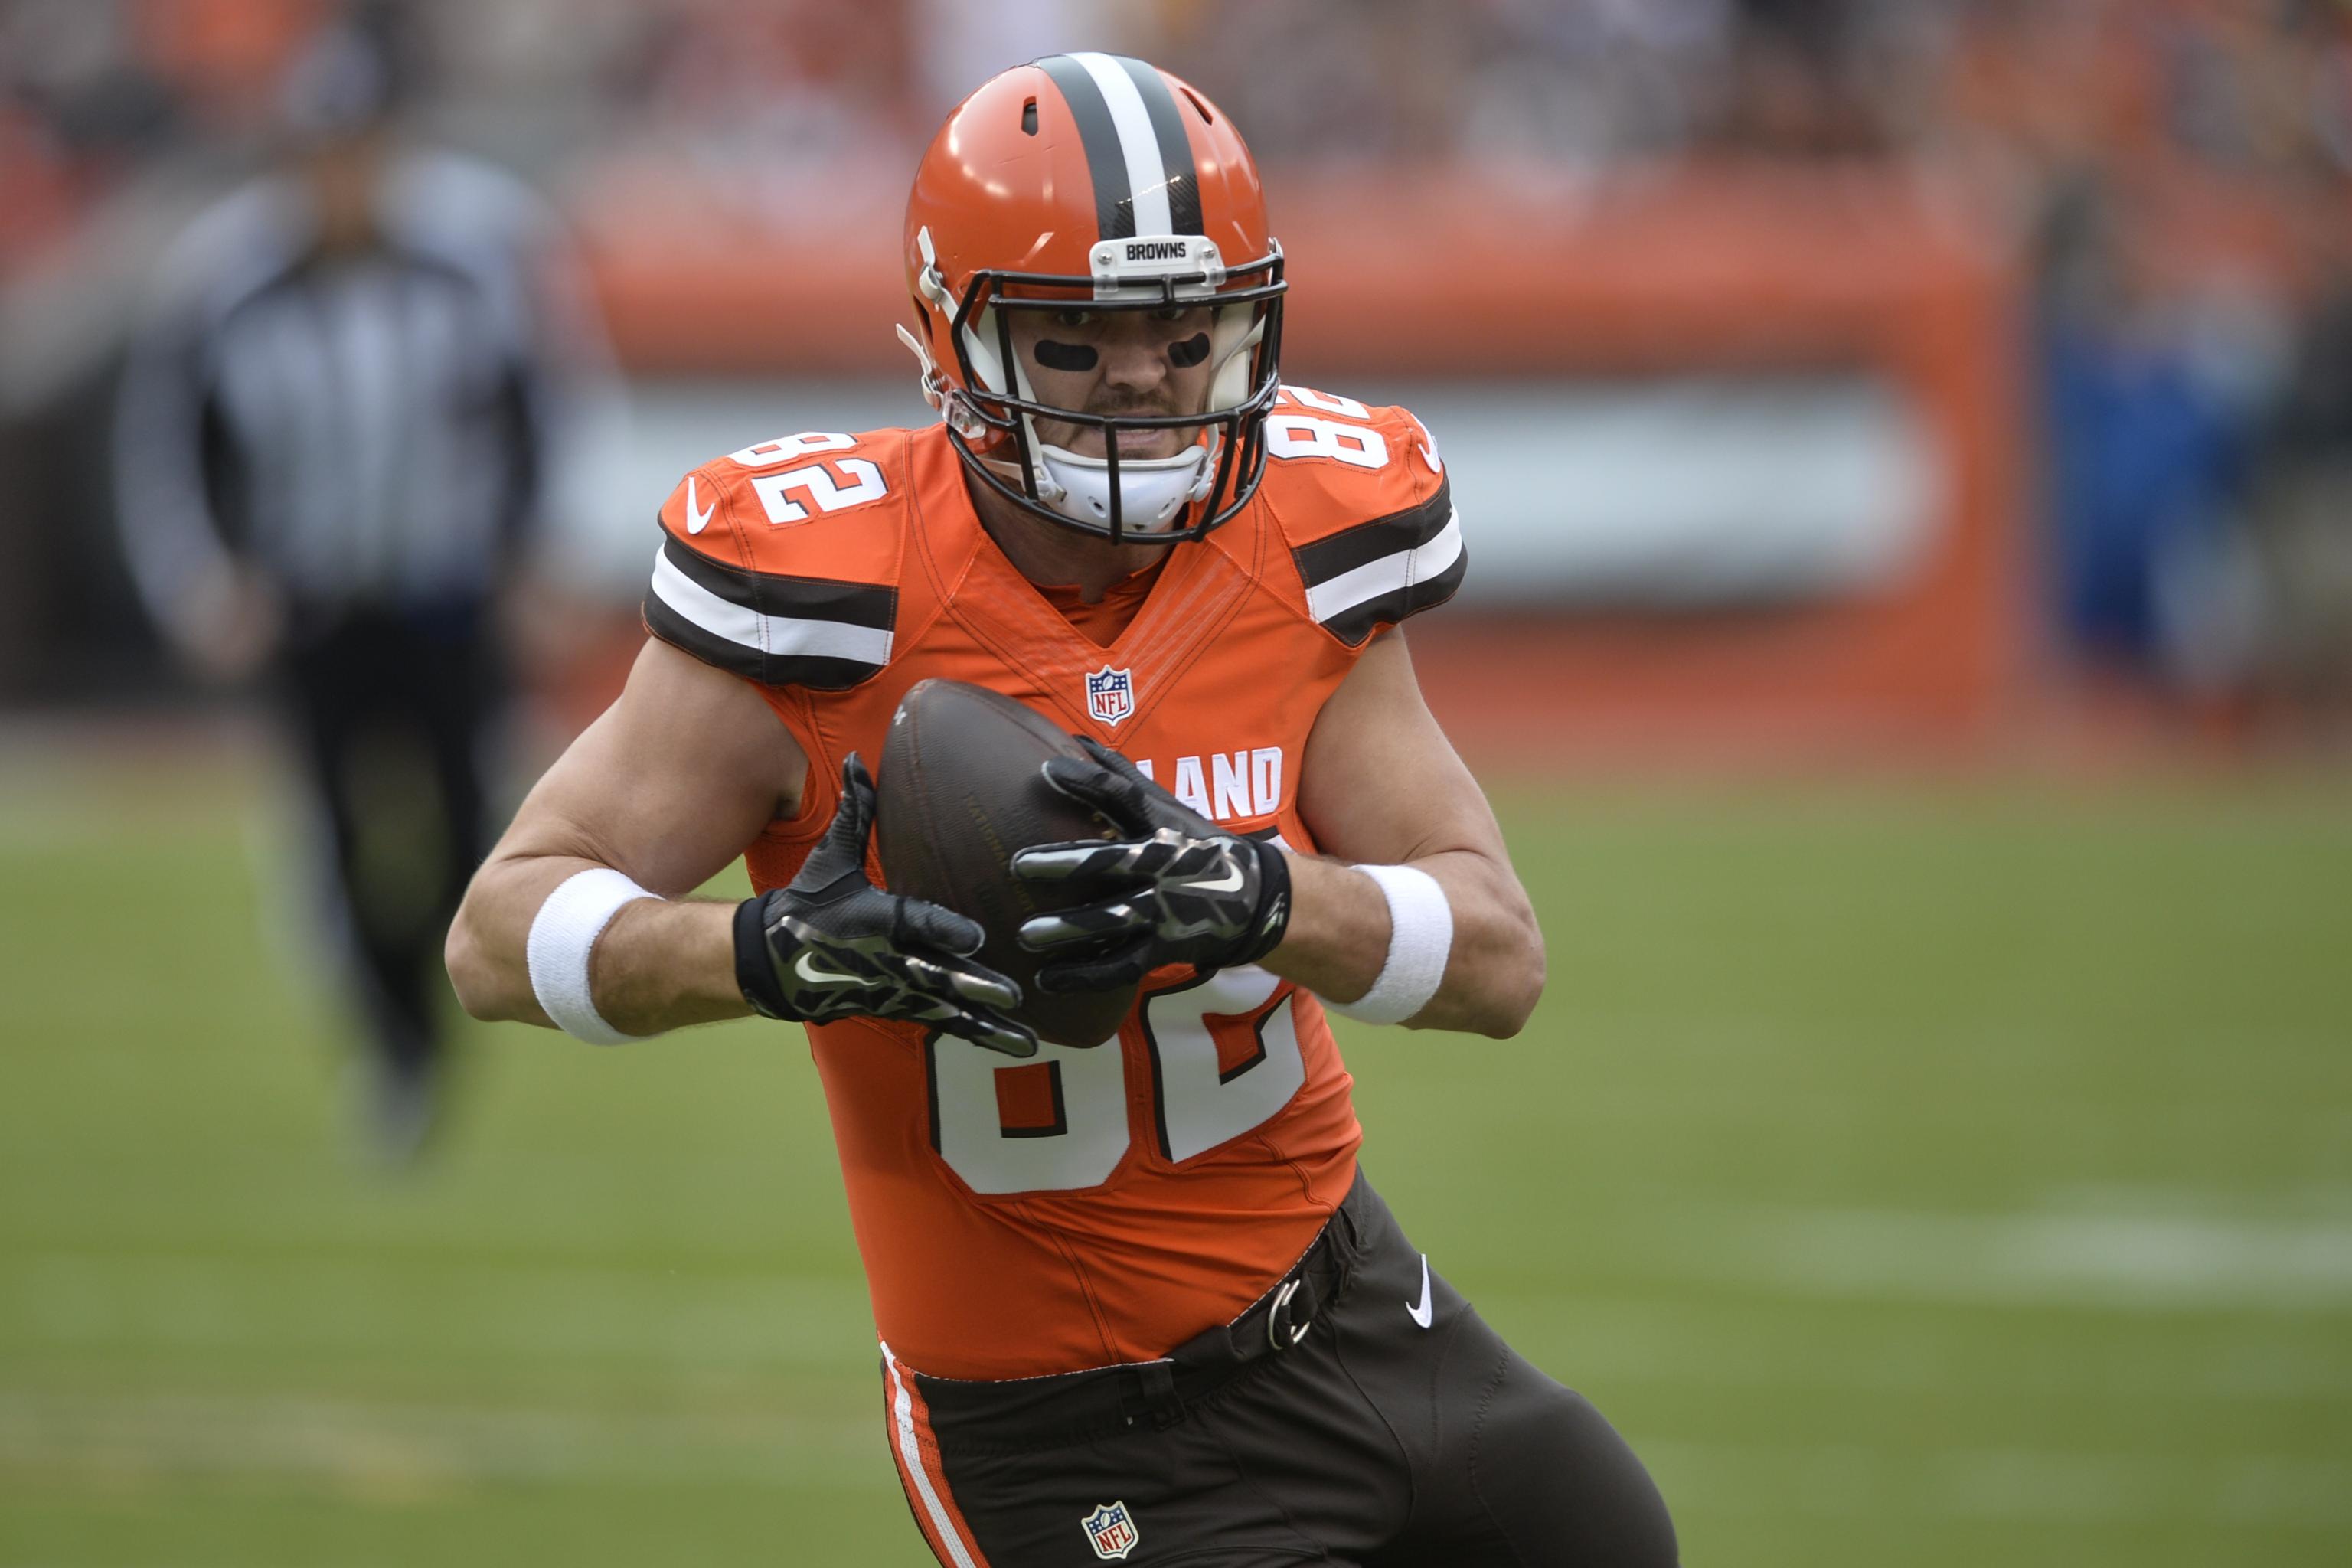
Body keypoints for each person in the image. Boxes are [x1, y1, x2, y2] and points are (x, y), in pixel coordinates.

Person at [447, 53, 1675, 1566]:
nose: (1148, 378)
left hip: (1350, 1306)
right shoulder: (830, 602)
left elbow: (1499, 959)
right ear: (946, 340)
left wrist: (1272, 898)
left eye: (1187, 327)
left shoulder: (1303, 542)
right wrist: (761, 953)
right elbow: (497, 933)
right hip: (1068, 1431)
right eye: (1080, 345)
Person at [115, 25, 615, 1158]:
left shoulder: (476, 249)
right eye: (320, 152)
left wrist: (543, 551)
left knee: (463, 827)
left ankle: (425, 1022)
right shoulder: (228, 278)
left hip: (446, 592)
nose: (341, 177)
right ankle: (398, 1048)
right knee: (338, 836)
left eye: (359, 149)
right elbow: (170, 444)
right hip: (316, 599)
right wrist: (198, 579)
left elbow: (549, 403)